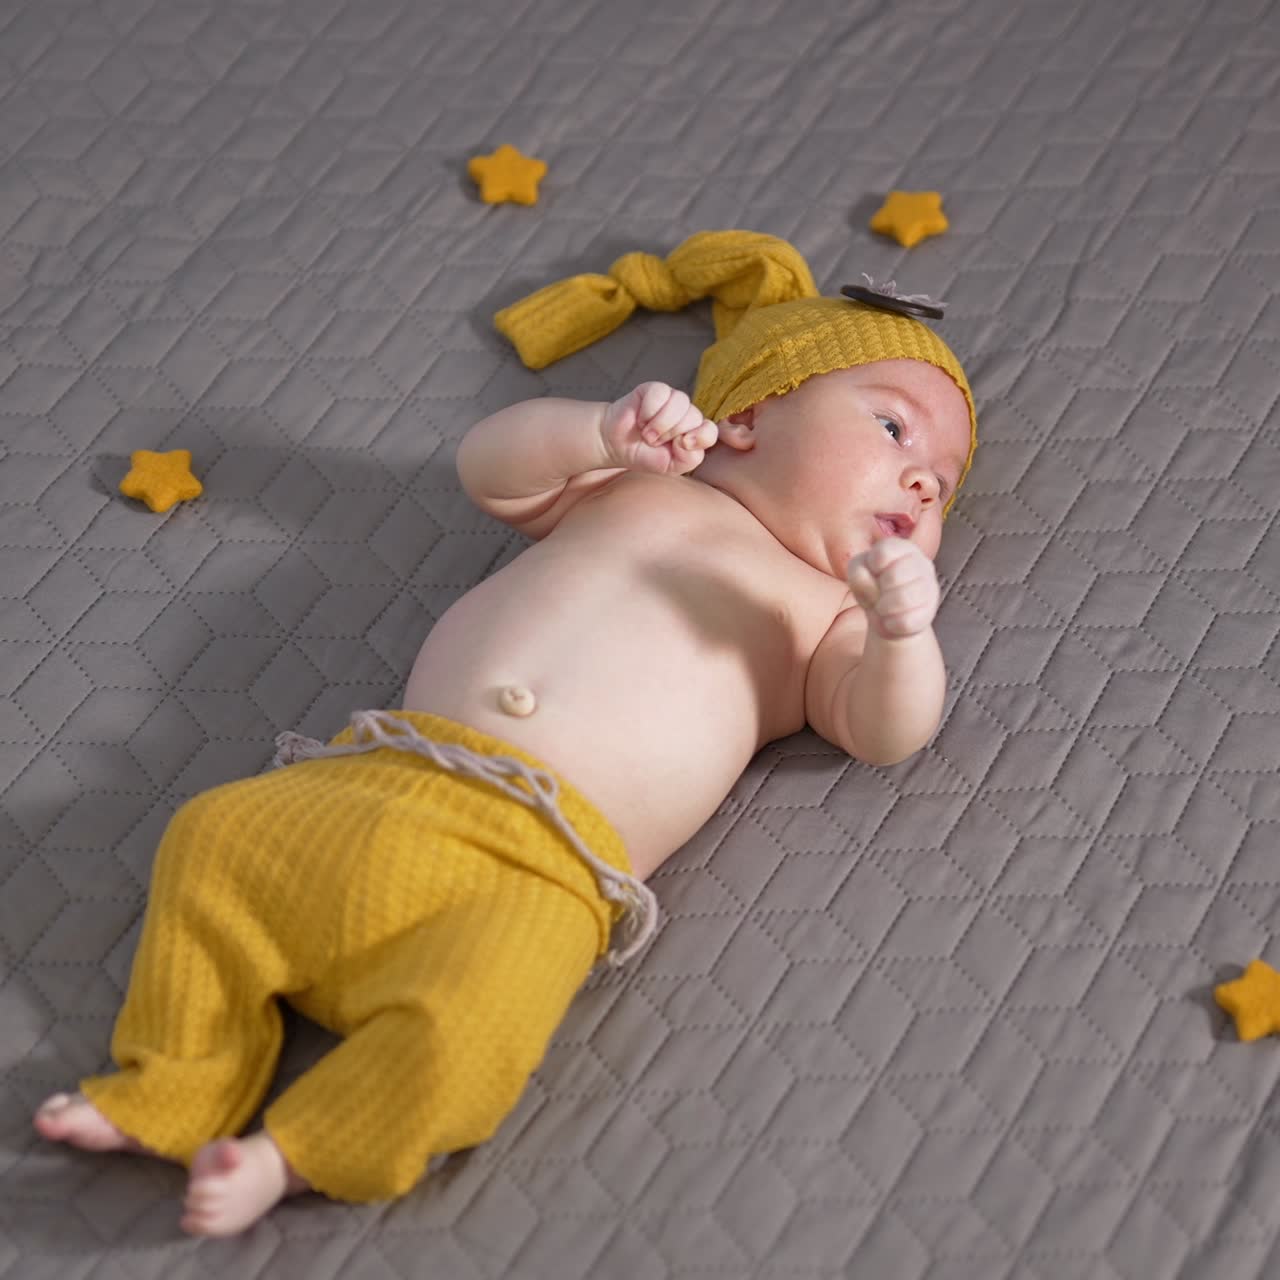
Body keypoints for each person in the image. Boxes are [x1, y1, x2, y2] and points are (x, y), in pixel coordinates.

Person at [32, 231, 977, 1236]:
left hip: (547, 862)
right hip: (387, 774)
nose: (923, 482)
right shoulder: (638, 484)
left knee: (483, 1013)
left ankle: (299, 1151)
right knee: (216, 839)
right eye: (892, 428)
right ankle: (177, 1084)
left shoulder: (822, 612)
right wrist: (598, 431)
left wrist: (898, 633)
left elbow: (884, 730)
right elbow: (492, 469)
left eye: (946, 484)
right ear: (745, 412)